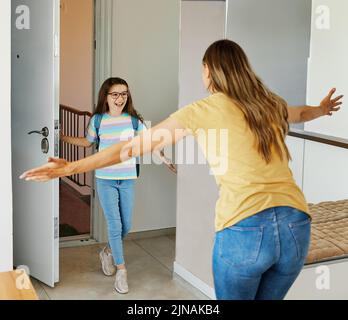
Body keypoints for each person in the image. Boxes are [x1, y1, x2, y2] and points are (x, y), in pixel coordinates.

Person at [21, 40, 343, 300]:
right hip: (297, 223)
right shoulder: (267, 103)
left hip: (246, 226)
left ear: (208, 71)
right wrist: (322, 109)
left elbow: (132, 148)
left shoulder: (202, 109)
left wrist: (71, 167)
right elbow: (299, 112)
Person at [61, 77, 176, 294]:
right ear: (106, 96)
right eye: (115, 94)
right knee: (115, 225)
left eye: (124, 93)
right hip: (105, 179)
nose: (120, 98)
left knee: (126, 225)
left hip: (127, 177)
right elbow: (87, 142)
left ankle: (107, 252)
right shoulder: (98, 120)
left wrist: (165, 159)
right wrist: (62, 137)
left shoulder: (133, 121)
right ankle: (122, 272)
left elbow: (150, 142)